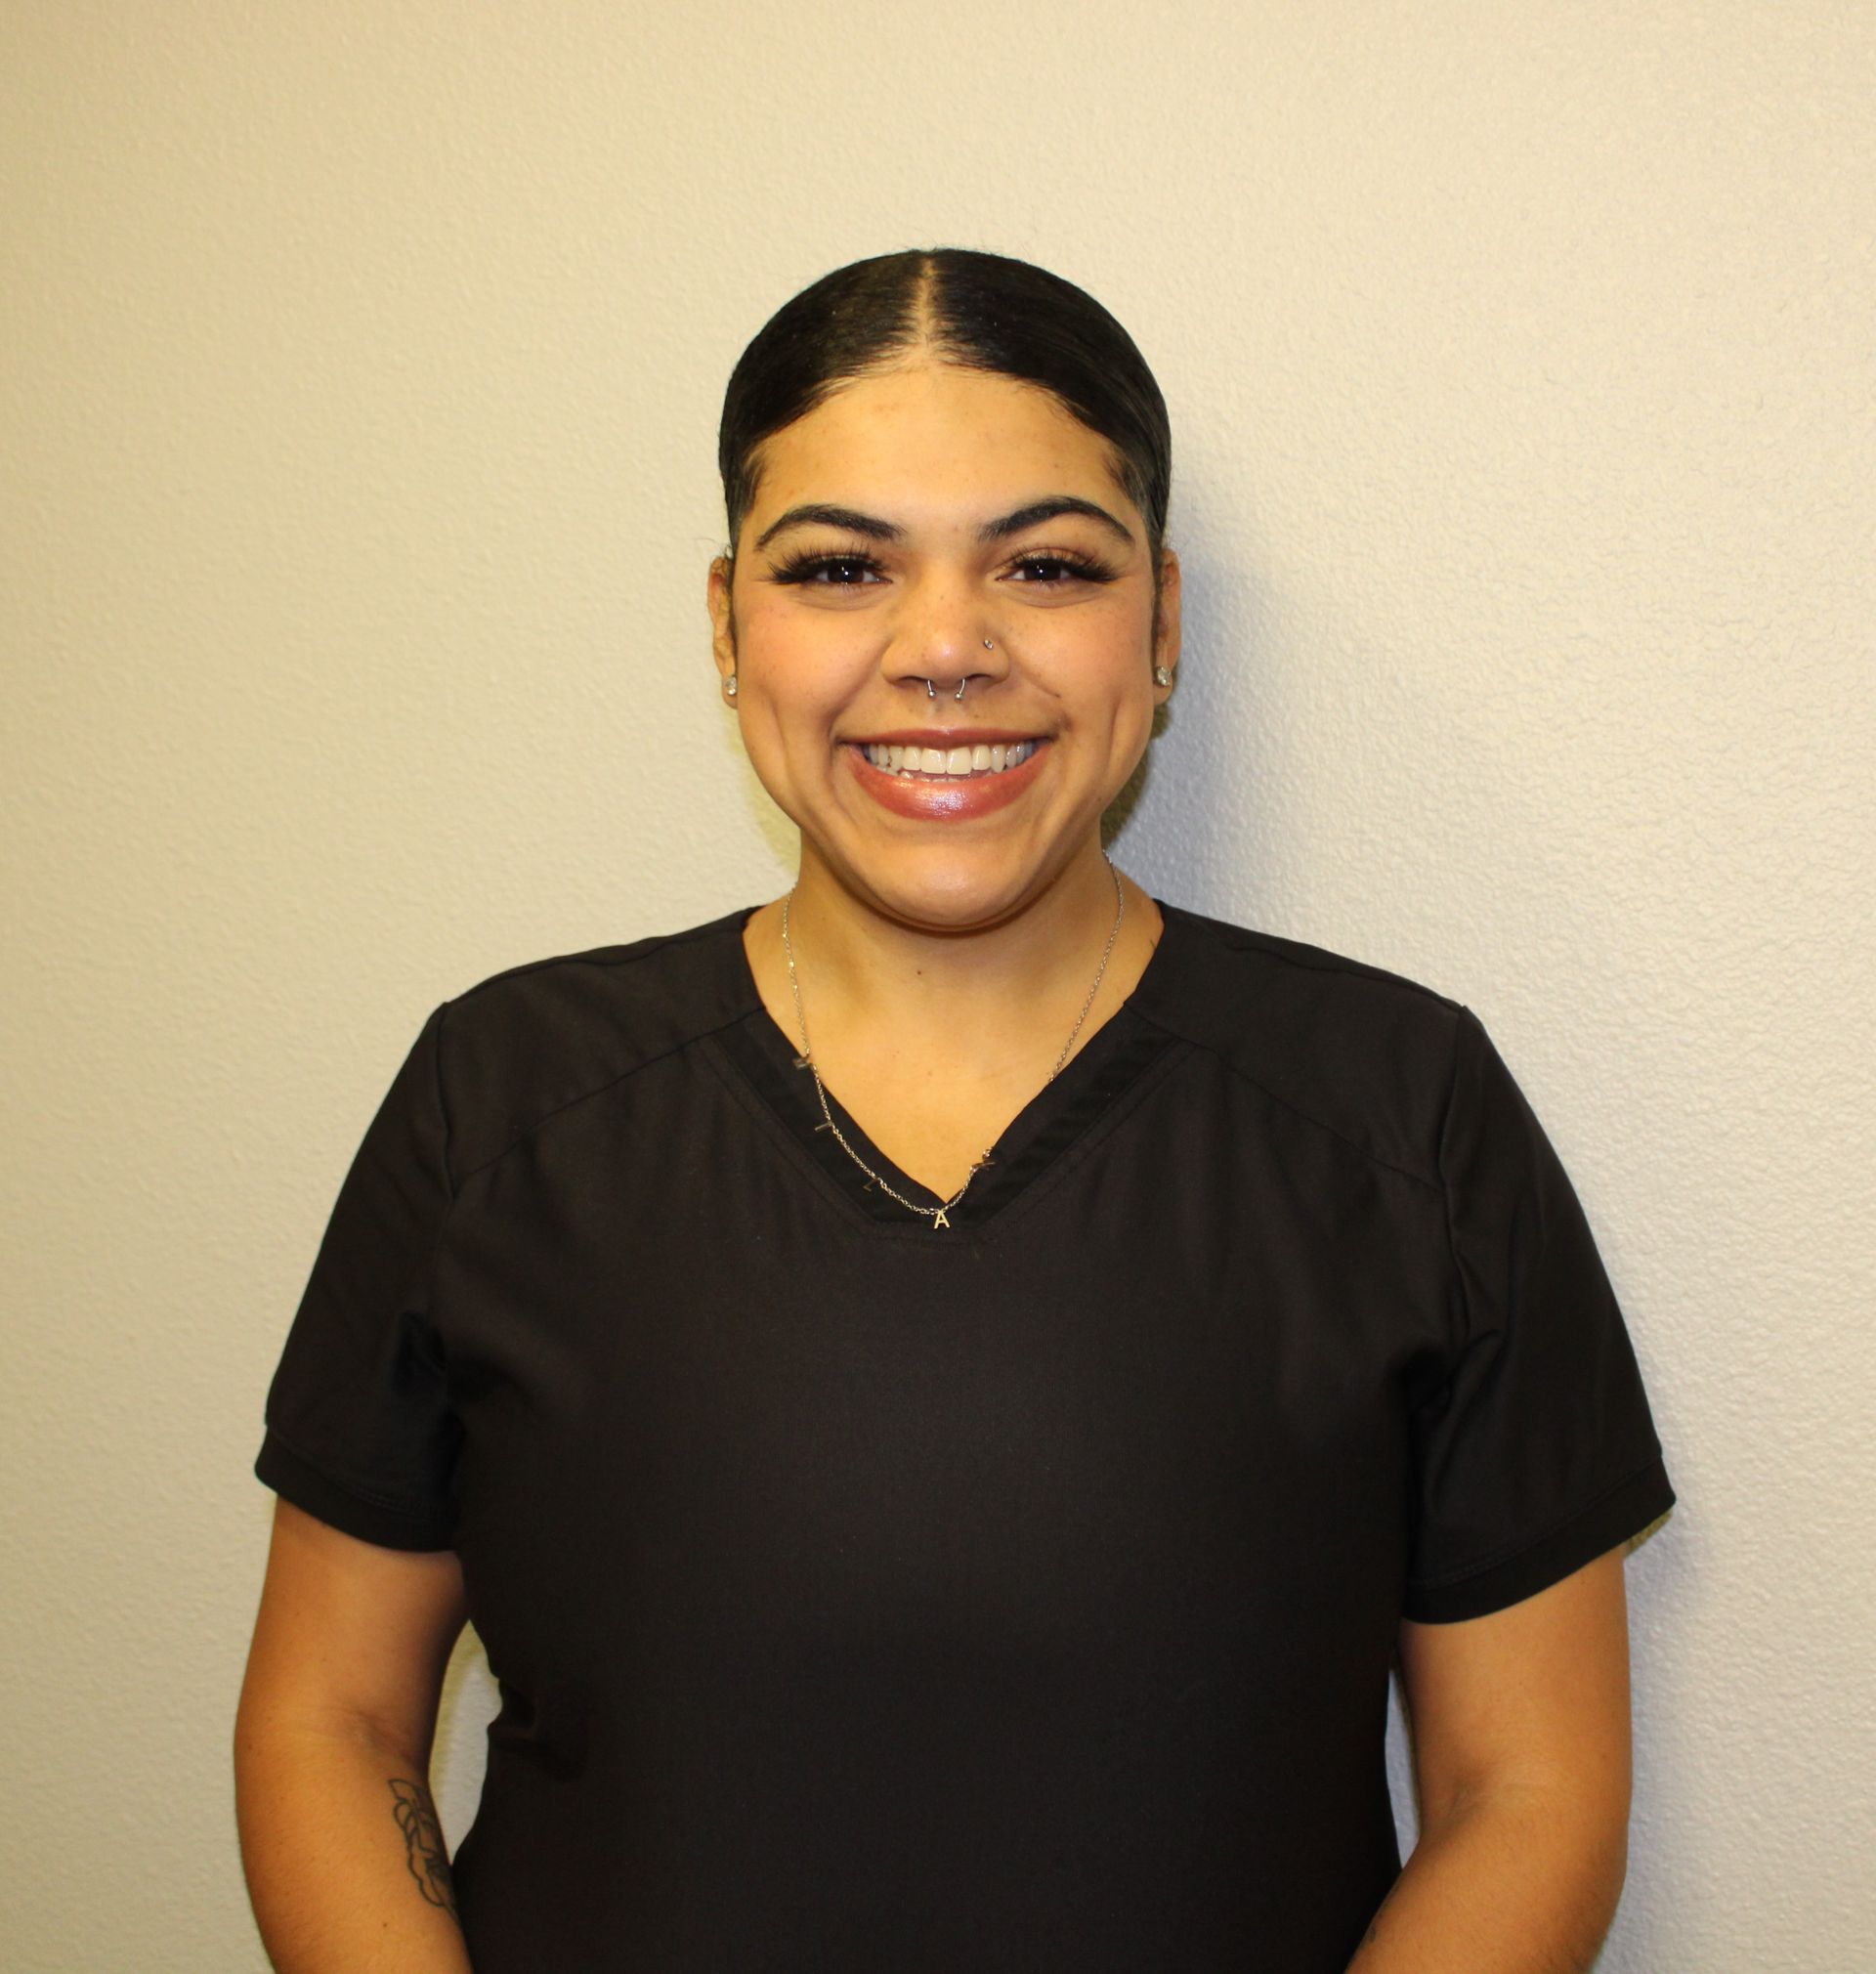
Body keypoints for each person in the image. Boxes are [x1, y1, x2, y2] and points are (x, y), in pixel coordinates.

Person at [234, 247, 1675, 1973]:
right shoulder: (503, 1096)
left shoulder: (1406, 1110)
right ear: (725, 624)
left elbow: (1533, 1792)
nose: (942, 650)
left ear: (1160, 623)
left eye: (1046, 564)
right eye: (840, 566)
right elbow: (332, 1717)